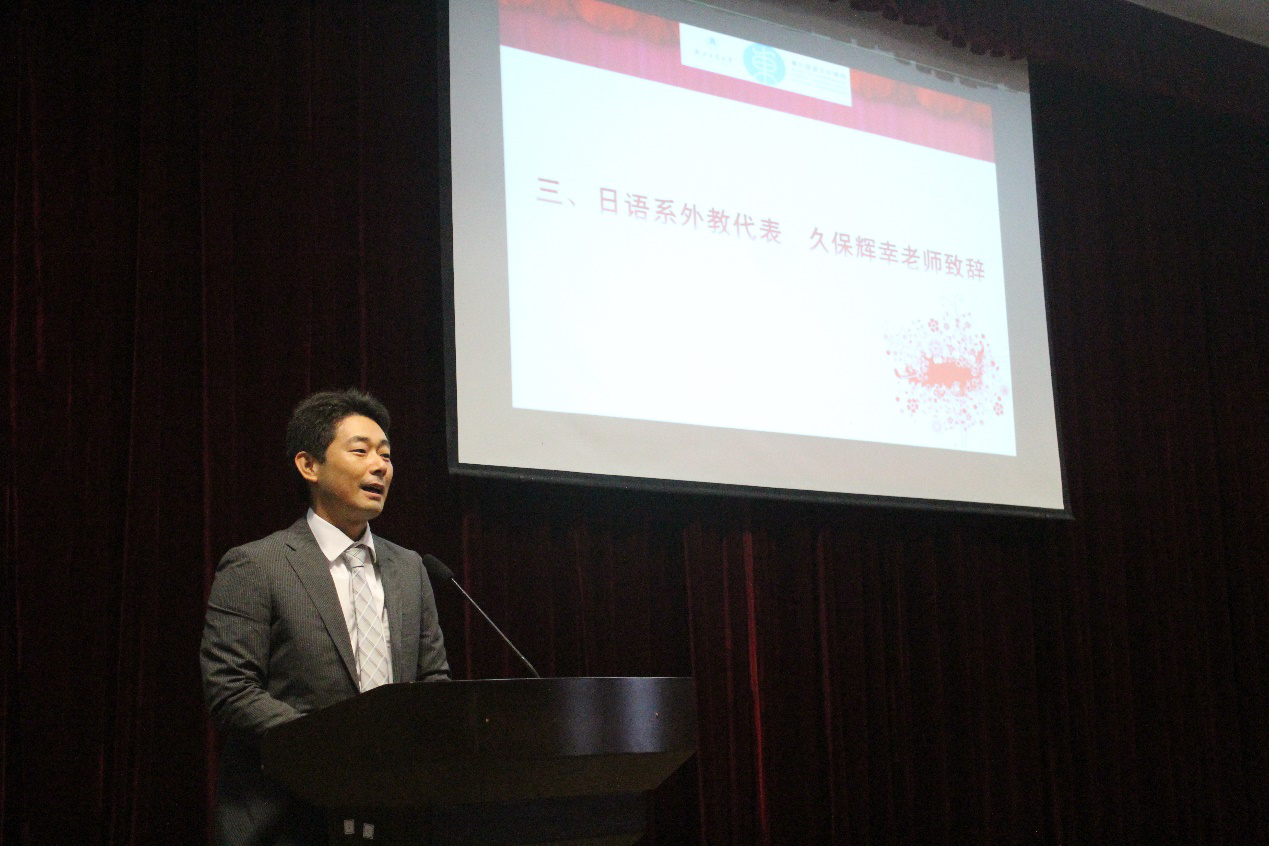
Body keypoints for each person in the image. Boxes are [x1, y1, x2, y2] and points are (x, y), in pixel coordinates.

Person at [201, 389, 449, 846]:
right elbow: (231, 689)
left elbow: (433, 681)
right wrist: (334, 747)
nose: (380, 466)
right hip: (287, 818)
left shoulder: (410, 568)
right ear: (309, 465)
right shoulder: (257, 565)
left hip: (395, 816)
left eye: (386, 455)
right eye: (360, 451)